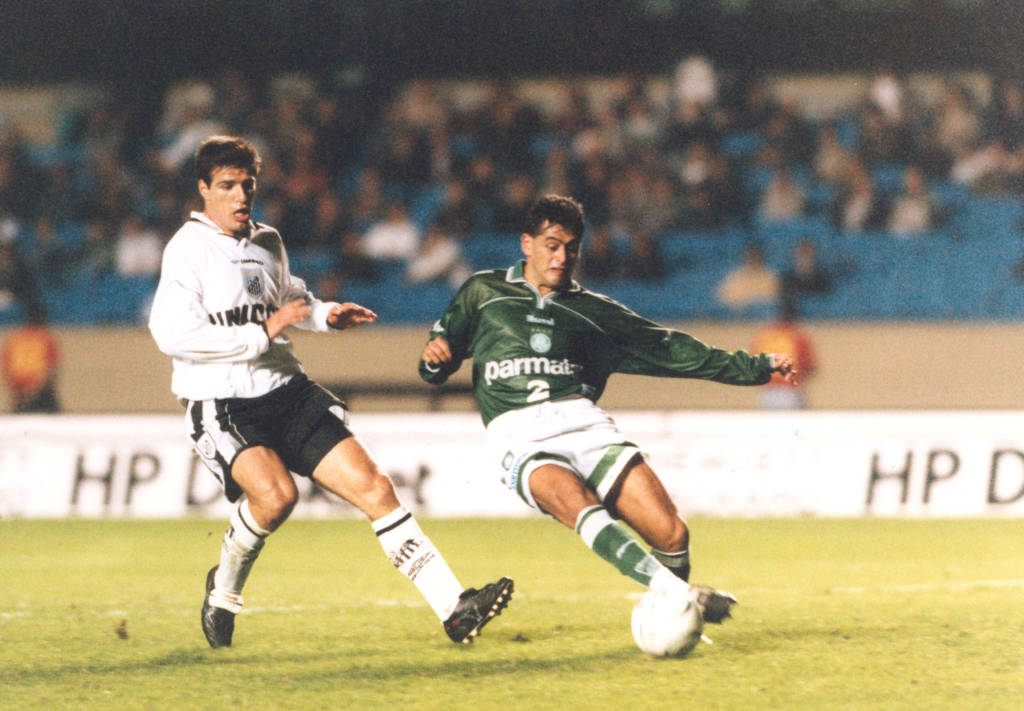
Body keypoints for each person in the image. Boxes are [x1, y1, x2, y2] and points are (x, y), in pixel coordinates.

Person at [148, 136, 512, 649]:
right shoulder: (187, 249)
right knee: (275, 498)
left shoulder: (267, 240)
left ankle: (453, 607)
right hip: (223, 401)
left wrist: (325, 314)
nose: (239, 196)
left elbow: (290, 296)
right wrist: (261, 333)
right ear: (203, 188)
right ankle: (223, 589)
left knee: (376, 487)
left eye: (247, 185)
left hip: (286, 389)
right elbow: (172, 335)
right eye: (226, 186)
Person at [418, 195, 795, 630]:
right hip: (518, 432)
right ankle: (679, 596)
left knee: (672, 534)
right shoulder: (482, 292)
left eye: (571, 247)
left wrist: (756, 367)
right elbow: (434, 365)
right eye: (552, 245)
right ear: (527, 243)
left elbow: (673, 350)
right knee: (578, 503)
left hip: (583, 424)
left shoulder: (595, 312)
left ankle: (669, 621)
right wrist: (437, 358)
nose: (562, 257)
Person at [1, 305, 60, 413]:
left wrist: (18, 393)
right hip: (37, 393)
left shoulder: (14, 339)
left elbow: (7, 369)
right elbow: (50, 370)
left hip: (21, 392)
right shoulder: (45, 338)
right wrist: (32, 391)